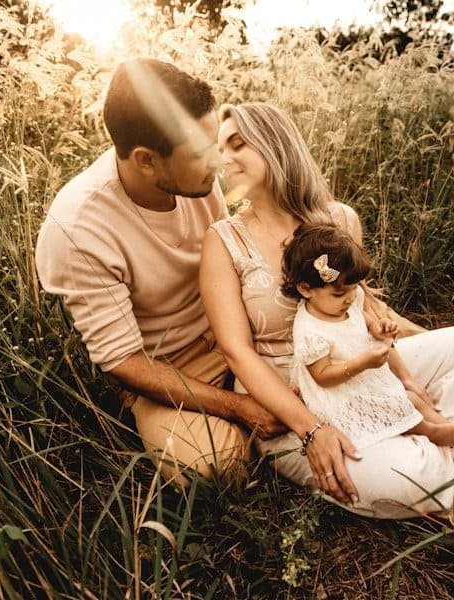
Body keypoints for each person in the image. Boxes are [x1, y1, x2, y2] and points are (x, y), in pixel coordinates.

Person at [200, 102, 454, 520]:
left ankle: (440, 463)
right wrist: (310, 429)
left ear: (274, 144)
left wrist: (413, 365)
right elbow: (236, 352)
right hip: (293, 396)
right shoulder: (223, 241)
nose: (222, 157)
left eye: (236, 144)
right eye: (218, 148)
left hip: (367, 365)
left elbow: (367, 309)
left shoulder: (337, 219)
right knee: (393, 474)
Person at [35, 59, 284, 487]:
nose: (220, 163)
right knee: (212, 468)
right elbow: (123, 362)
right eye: (203, 154)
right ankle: (249, 420)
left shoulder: (196, 181)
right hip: (169, 365)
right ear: (147, 161)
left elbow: (231, 256)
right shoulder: (78, 229)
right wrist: (237, 406)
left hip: (233, 322)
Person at [283, 222, 454, 453]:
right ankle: (435, 433)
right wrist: (362, 363)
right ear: (306, 289)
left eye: (353, 289)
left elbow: (360, 316)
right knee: (398, 406)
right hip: (340, 396)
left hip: (364, 380)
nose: (349, 298)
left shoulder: (346, 300)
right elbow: (323, 377)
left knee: (411, 400)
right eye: (339, 293)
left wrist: (377, 327)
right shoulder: (310, 332)